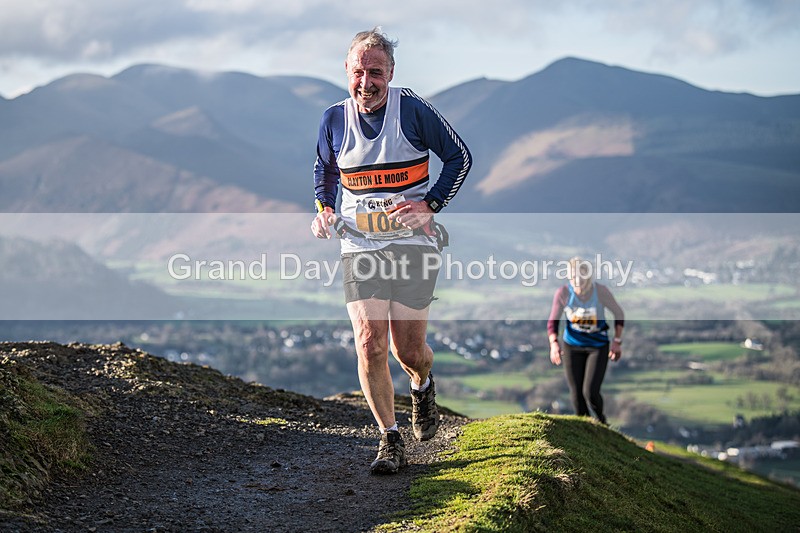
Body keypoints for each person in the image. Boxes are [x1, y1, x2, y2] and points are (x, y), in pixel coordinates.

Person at [310, 28, 471, 474]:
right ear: (346, 72)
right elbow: (323, 172)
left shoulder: (413, 110)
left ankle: (421, 384)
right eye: (358, 72)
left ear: (391, 73)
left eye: (375, 72)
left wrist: (430, 204)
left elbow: (460, 157)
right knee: (369, 342)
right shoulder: (334, 119)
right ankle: (389, 437)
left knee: (409, 351)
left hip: (413, 245)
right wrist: (324, 209)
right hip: (359, 243)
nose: (366, 81)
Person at [547, 257, 625, 424]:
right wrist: (554, 343)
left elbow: (619, 313)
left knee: (590, 392)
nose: (577, 281)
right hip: (572, 345)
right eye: (573, 277)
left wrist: (617, 341)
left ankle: (602, 423)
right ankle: (586, 428)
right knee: (576, 394)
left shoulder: (600, 291)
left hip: (597, 346)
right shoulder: (564, 293)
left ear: (588, 277)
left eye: (581, 277)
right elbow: (553, 321)